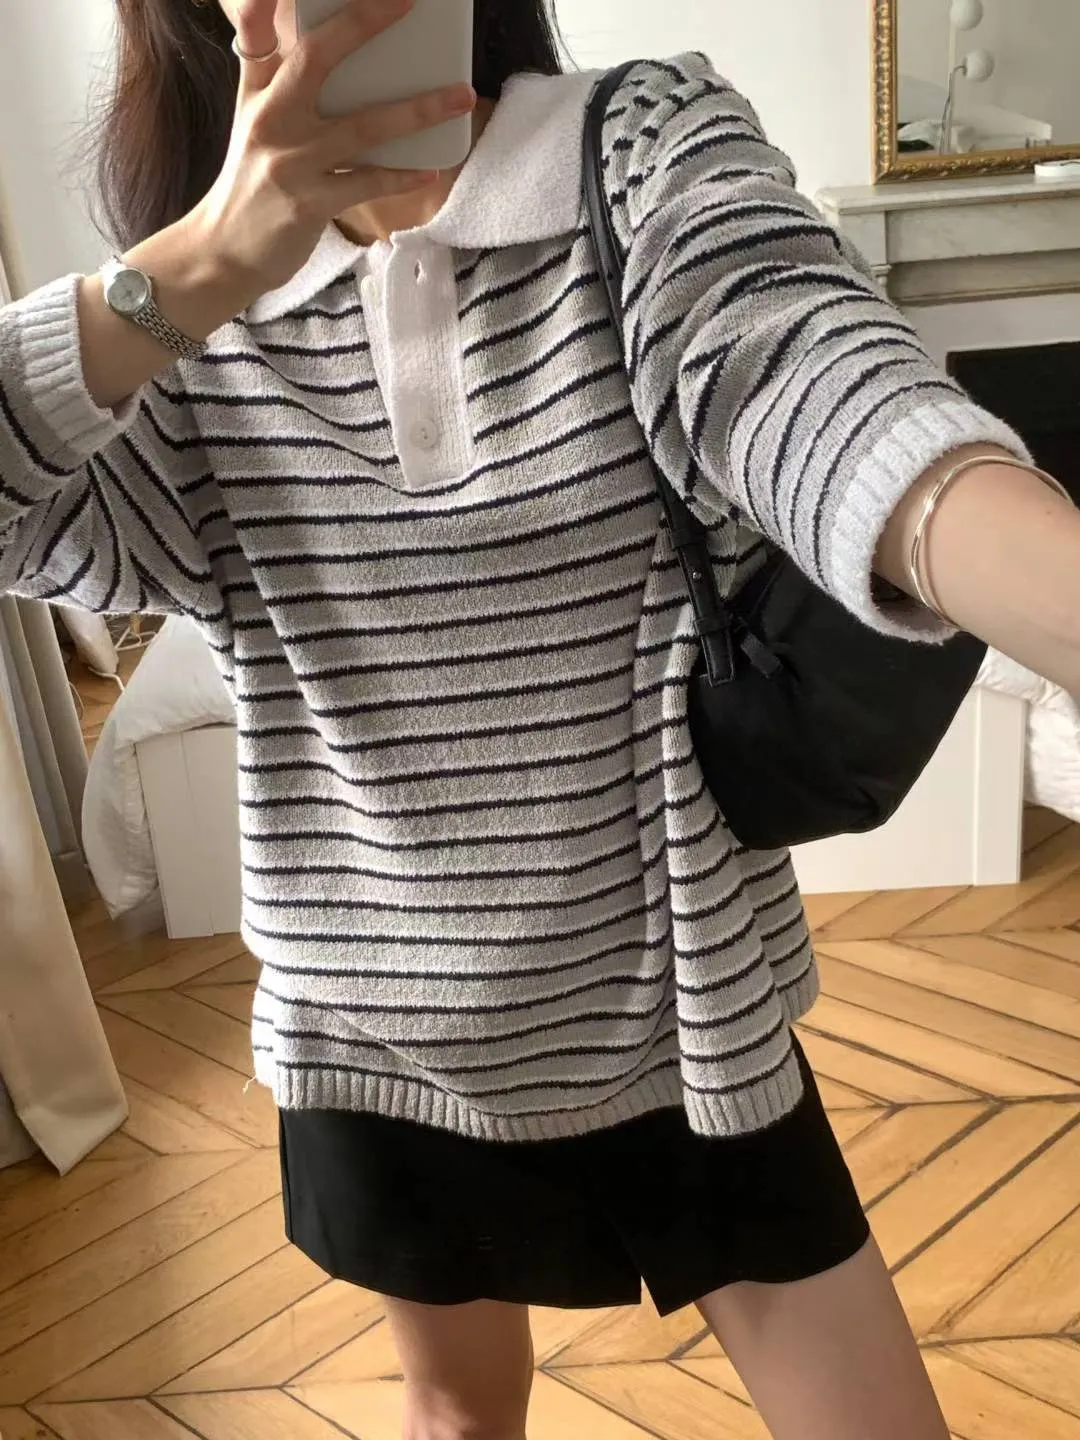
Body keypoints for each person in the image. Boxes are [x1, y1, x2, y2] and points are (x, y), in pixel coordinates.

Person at [2, 0, 1078, 1435]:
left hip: (680, 1014)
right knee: (458, 1416)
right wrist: (202, 264)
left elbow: (812, 380)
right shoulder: (186, 322)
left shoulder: (636, 153)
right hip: (375, 1039)